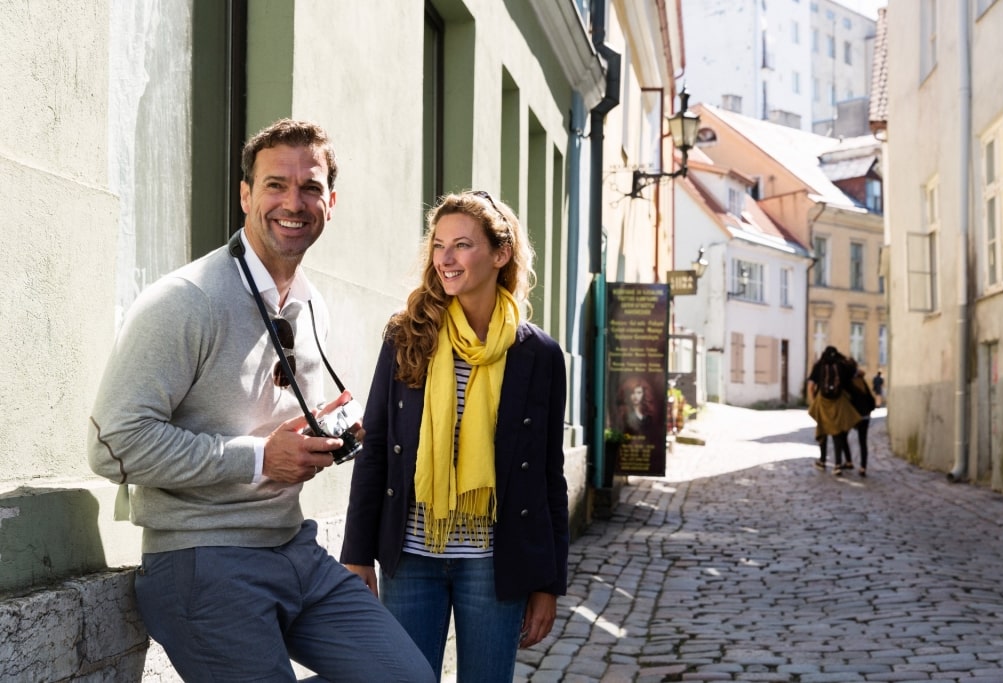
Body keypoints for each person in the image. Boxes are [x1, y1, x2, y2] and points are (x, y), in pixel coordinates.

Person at [87, 119, 433, 682]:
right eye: (275, 185)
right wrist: (257, 458)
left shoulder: (311, 302)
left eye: (310, 187)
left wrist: (321, 438)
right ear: (245, 194)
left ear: (331, 202)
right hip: (203, 557)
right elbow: (113, 445)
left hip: (294, 547)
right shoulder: (185, 300)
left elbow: (277, 423)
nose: (293, 202)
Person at [340, 191, 569, 682]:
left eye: (461, 245)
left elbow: (549, 473)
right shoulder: (408, 336)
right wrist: (356, 555)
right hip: (411, 556)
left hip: (493, 563)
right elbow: (375, 447)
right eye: (439, 245)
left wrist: (549, 583)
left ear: (500, 254)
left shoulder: (538, 354)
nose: (445, 258)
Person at [806, 346, 861, 475]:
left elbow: (810, 386)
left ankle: (822, 461)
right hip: (838, 403)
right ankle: (837, 465)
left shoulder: (819, 365)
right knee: (838, 434)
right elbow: (855, 376)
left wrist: (814, 401)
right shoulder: (841, 365)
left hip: (822, 402)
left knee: (823, 431)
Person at [848, 366, 876, 476]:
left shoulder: (849, 385)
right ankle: (863, 467)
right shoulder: (863, 384)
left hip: (854, 417)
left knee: (843, 437)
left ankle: (847, 460)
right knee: (862, 442)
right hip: (865, 417)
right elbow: (871, 401)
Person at [617, 375, 660, 443]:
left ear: (643, 394)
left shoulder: (648, 414)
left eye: (639, 393)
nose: (636, 396)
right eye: (632, 393)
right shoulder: (624, 414)